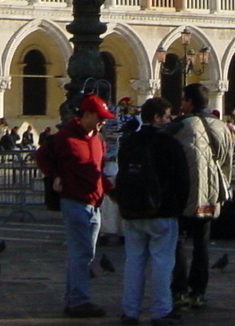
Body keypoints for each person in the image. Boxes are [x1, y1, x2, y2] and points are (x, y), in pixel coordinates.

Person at [35, 93, 116, 319]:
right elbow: (42, 156)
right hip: (75, 202)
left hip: (94, 203)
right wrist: (54, 176)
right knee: (82, 253)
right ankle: (79, 300)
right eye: (100, 117)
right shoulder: (64, 138)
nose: (103, 122)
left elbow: (97, 172)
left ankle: (74, 299)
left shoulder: (99, 141)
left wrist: (110, 191)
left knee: (83, 254)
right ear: (87, 114)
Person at [114, 97, 189, 326]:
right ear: (157, 117)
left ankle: (130, 311)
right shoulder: (169, 144)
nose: (169, 120)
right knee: (162, 263)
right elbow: (182, 181)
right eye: (167, 116)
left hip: (132, 211)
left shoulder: (129, 141)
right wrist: (178, 207)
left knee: (134, 262)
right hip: (162, 213)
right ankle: (160, 311)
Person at [164, 82, 234, 309]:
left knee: (179, 241)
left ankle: (180, 290)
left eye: (183, 100)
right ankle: (199, 292)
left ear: (190, 102)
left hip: (183, 193)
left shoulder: (180, 125)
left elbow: (167, 154)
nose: (181, 104)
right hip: (210, 195)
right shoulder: (222, 127)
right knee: (202, 244)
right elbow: (226, 164)